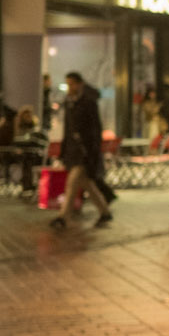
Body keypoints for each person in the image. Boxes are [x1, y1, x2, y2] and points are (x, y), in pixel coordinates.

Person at [51, 72, 113, 230]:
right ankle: (105, 212)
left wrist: (92, 151)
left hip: (84, 153)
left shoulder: (88, 103)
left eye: (72, 84)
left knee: (71, 184)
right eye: (68, 84)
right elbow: (68, 129)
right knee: (87, 185)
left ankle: (63, 217)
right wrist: (63, 151)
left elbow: (95, 129)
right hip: (73, 152)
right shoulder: (70, 103)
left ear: (80, 84)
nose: (69, 88)